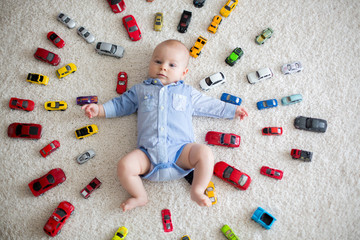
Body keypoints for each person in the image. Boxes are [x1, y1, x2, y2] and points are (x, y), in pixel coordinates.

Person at [81, 39, 248, 211]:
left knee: (205, 153)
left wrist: (232, 110)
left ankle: (197, 190)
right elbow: (120, 105)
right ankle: (140, 195)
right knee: (124, 165)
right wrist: (100, 109)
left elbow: (210, 105)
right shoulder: (140, 90)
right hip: (148, 157)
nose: (163, 68)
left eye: (172, 65)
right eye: (158, 62)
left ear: (184, 73)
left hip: (181, 154)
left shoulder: (187, 93)